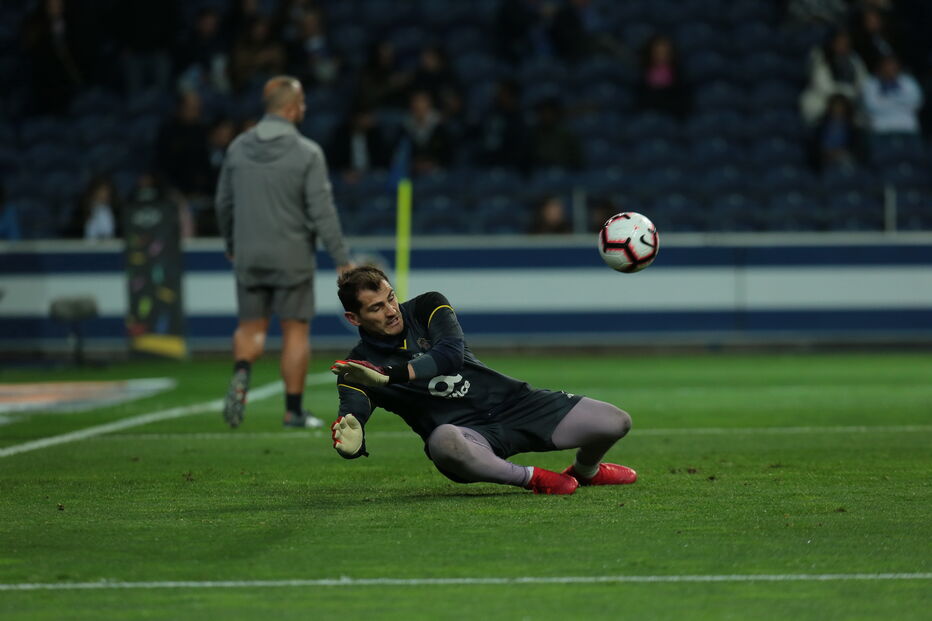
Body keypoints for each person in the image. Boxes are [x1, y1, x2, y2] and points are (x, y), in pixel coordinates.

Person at [328, 266, 636, 495]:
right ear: (353, 318)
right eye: (377, 308)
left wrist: (390, 377)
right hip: (468, 436)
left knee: (616, 422)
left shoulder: (426, 306)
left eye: (391, 298)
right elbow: (353, 414)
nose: (392, 311)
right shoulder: (357, 368)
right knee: (442, 442)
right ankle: (531, 478)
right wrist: (351, 442)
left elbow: (450, 354)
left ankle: (586, 471)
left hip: (516, 403)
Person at [216, 75, 354, 429]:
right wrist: (341, 258)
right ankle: (293, 411)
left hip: (249, 254)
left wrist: (233, 245)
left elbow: (223, 204)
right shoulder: (307, 152)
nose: (305, 108)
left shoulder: (236, 148)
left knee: (250, 327)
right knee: (295, 331)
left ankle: (243, 368)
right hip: (292, 255)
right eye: (303, 102)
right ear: (292, 107)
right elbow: (322, 212)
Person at [860, 55, 923, 134]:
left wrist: (884, 101)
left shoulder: (908, 81)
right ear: (880, 68)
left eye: (893, 66)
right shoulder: (870, 83)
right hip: (880, 129)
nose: (890, 69)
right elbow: (871, 106)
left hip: (907, 128)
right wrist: (901, 102)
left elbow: (916, 103)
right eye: (887, 66)